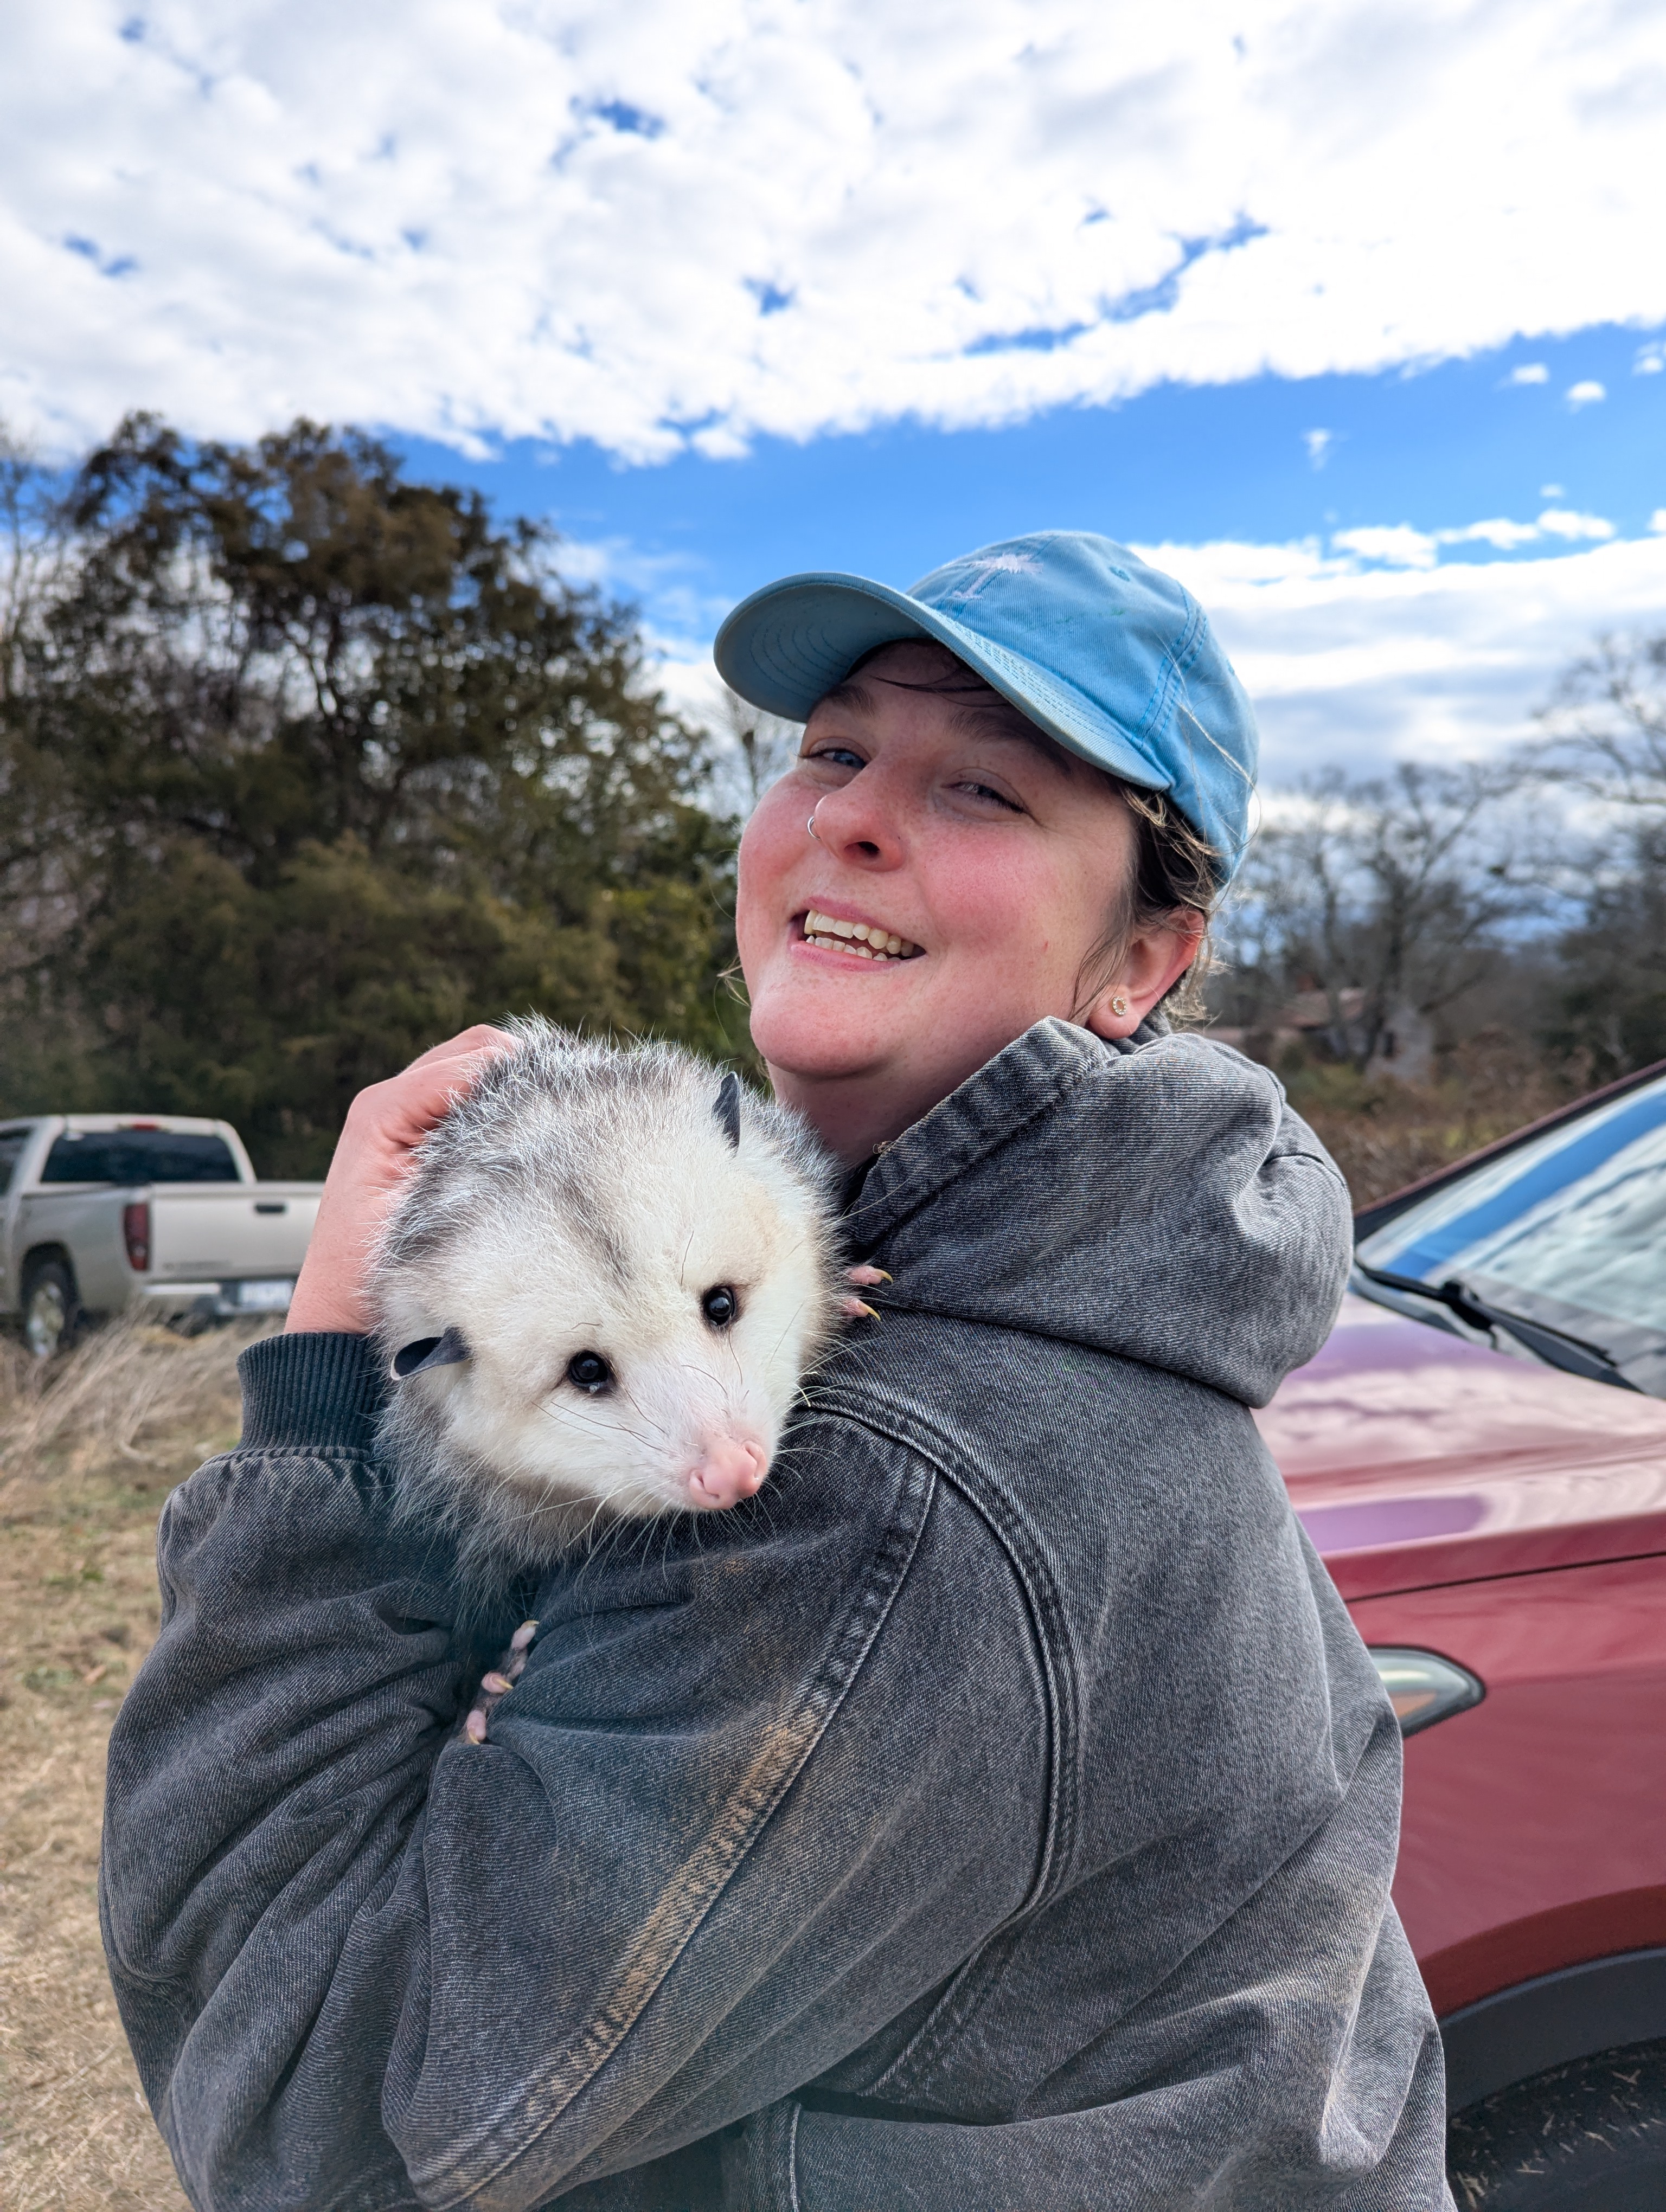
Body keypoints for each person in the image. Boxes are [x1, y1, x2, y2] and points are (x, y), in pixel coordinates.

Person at [100, 532, 1454, 2210]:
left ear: (1143, 964)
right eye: (833, 750)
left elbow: (312, 2113)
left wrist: (319, 1386)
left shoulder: (899, 1489)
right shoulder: (1099, 1271)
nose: (856, 816)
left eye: (988, 791)